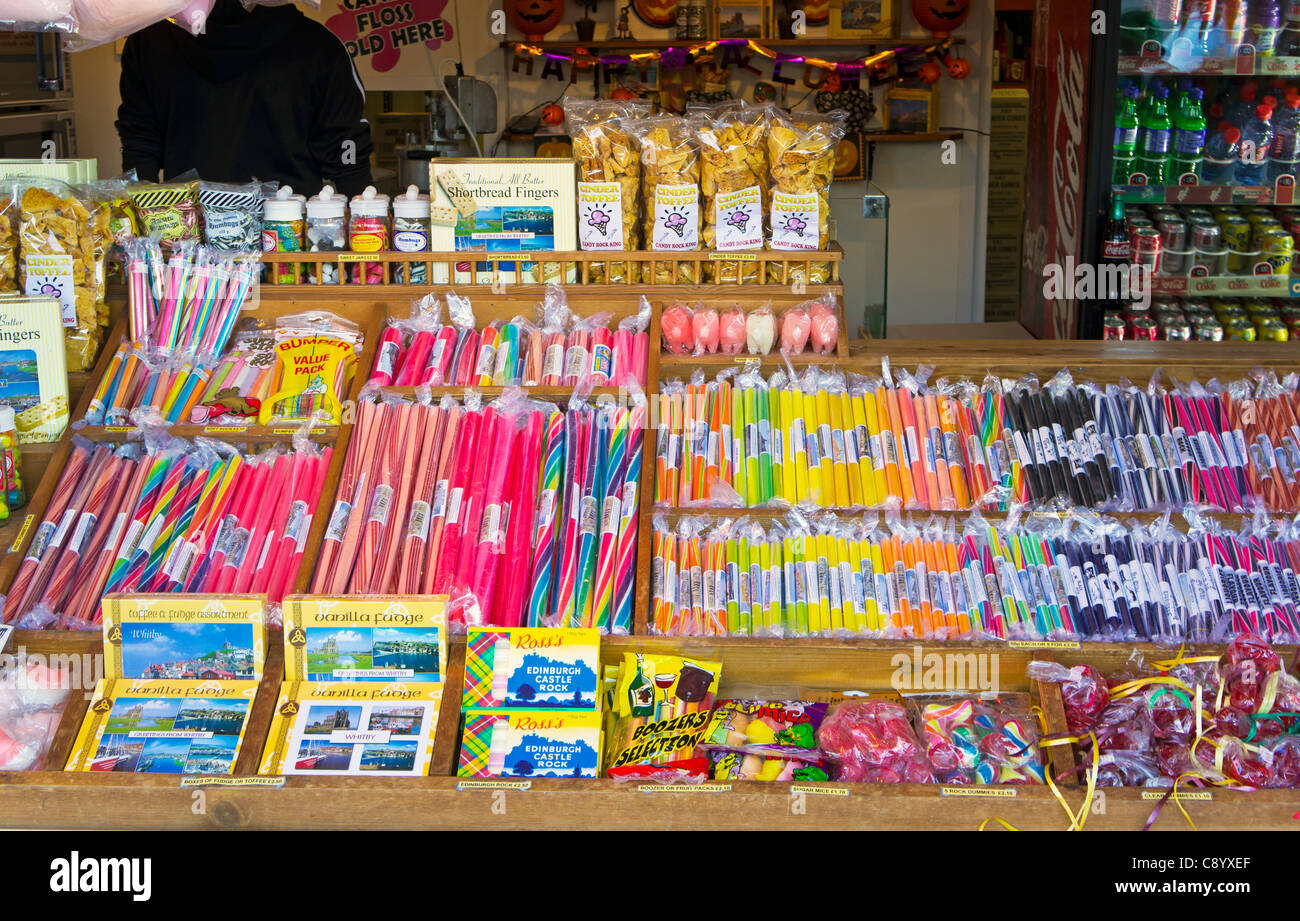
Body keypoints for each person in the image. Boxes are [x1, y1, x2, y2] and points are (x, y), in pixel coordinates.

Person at [116, 0, 374, 196]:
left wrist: (137, 229)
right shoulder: (321, 47)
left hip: (188, 247)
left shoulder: (148, 43)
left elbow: (140, 145)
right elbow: (346, 150)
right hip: (286, 241)